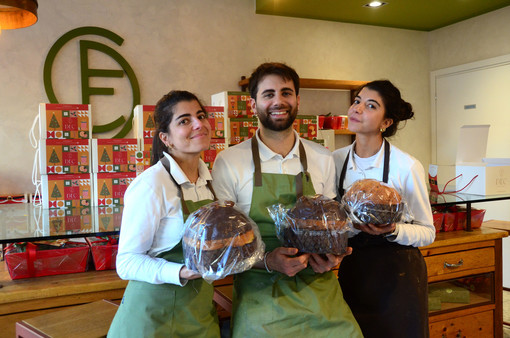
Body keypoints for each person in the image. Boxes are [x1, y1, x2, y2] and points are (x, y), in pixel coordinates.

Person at [212, 62, 362, 337]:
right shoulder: (229, 162)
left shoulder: (322, 157)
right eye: (268, 94)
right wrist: (268, 260)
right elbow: (224, 246)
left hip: (319, 291)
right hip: (260, 296)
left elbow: (331, 227)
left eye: (286, 93)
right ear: (253, 104)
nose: (278, 101)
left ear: (297, 100)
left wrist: (332, 257)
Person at [108, 90, 220, 337]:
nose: (199, 124)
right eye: (184, 120)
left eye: (200, 116)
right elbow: (126, 263)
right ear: (165, 138)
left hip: (198, 316)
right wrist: (180, 271)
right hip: (151, 321)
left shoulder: (211, 182)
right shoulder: (152, 184)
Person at [333, 80, 435, 338]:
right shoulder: (334, 160)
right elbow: (332, 220)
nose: (357, 109)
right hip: (353, 269)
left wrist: (392, 229)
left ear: (386, 122)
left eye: (370, 106)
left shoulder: (406, 166)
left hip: (398, 274)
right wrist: (350, 228)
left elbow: (427, 231)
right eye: (357, 101)